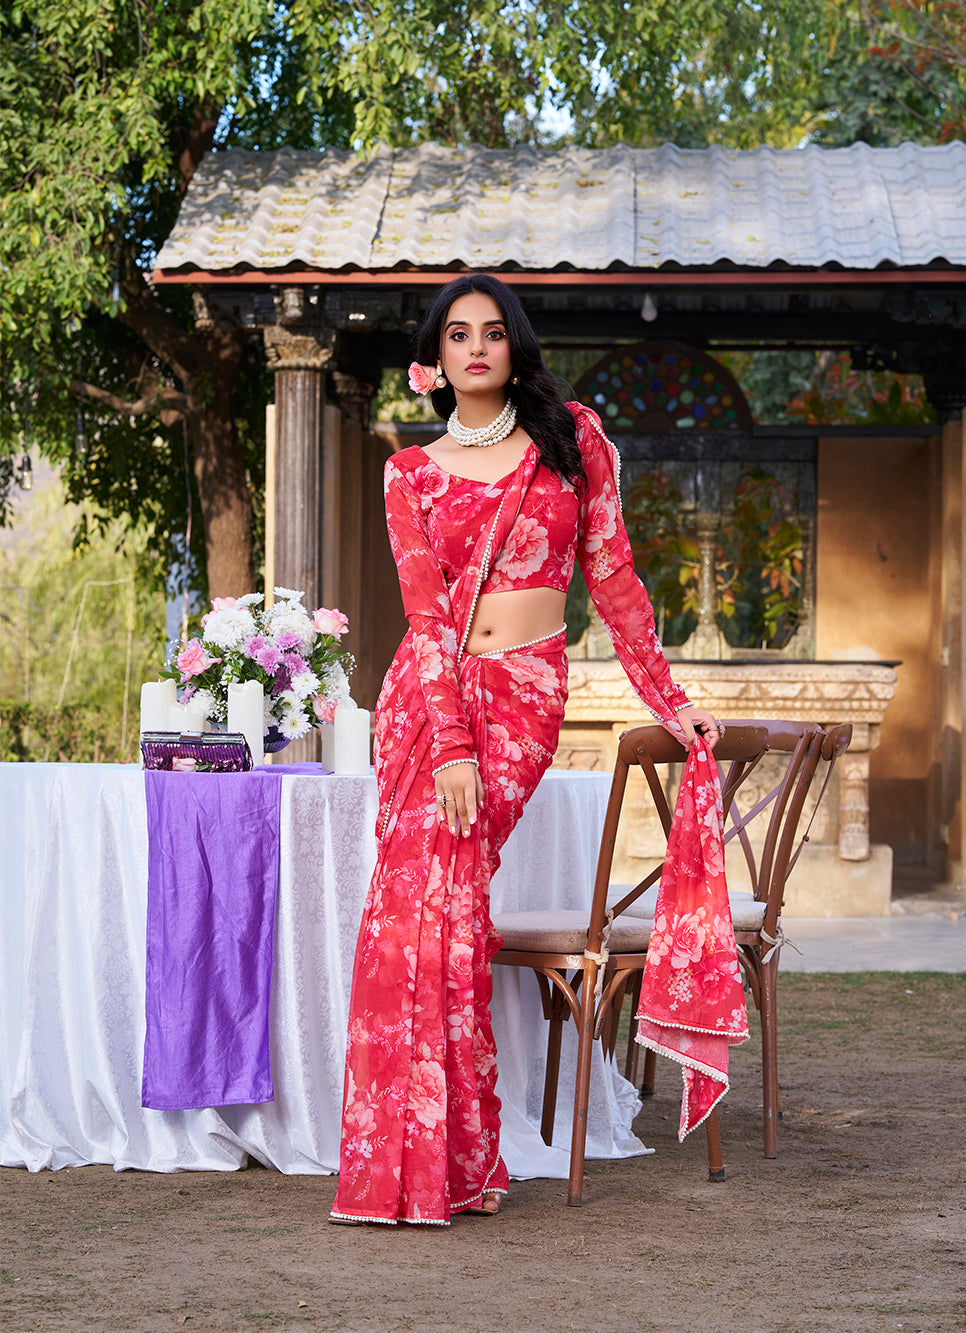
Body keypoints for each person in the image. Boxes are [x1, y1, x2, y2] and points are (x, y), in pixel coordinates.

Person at [329, 274, 724, 1227]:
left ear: (515, 349)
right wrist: (450, 743)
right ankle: (430, 1171)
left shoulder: (571, 442)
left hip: (522, 703)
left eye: (493, 334)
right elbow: (425, 622)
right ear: (437, 356)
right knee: (419, 915)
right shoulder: (409, 477)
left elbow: (616, 583)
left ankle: (442, 1164)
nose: (476, 348)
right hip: (433, 710)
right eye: (458, 334)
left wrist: (672, 703)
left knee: (445, 905)